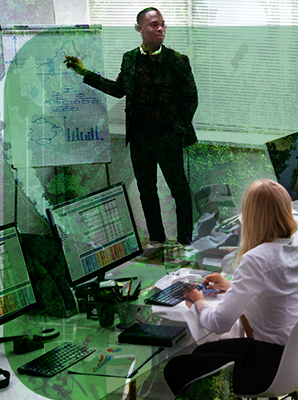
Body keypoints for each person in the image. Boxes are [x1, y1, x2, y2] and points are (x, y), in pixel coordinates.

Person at [63, 7, 198, 258]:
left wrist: (177, 131)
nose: (161, 29)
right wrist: (85, 73)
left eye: (163, 24)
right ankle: (157, 240)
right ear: (140, 29)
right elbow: (118, 90)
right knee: (147, 191)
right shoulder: (129, 59)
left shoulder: (178, 60)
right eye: (154, 25)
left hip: (168, 139)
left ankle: (185, 241)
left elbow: (191, 99)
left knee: (179, 189)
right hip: (140, 140)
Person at [162, 179, 298, 395]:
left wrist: (198, 300)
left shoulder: (256, 259)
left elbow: (219, 323)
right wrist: (232, 286)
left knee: (176, 369)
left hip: (267, 368)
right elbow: (280, 288)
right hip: (297, 357)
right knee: (200, 354)